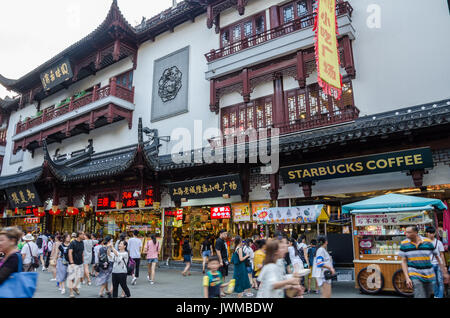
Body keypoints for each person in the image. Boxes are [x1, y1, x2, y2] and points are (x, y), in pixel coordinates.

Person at [399, 226, 449, 298]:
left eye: (409, 232)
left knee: (429, 291)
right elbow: (403, 261)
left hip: (428, 274)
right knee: (420, 294)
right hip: (415, 274)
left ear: (416, 233)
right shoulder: (404, 244)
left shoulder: (428, 242)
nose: (406, 234)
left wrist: (444, 271)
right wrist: (407, 277)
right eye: (406, 232)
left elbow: (438, 256)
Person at [425, 226, 447, 298]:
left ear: (434, 233)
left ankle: (439, 296)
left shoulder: (439, 243)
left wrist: (444, 266)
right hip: (430, 265)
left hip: (438, 264)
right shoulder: (425, 243)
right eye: (428, 233)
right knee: (433, 282)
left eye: (431, 233)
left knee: (440, 281)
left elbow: (442, 255)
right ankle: (436, 295)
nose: (429, 234)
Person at [67, 231, 85, 298]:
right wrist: (71, 262)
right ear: (79, 235)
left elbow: (82, 252)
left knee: (79, 277)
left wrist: (83, 261)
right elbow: (70, 252)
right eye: (83, 234)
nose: (84, 235)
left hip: (80, 263)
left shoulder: (82, 242)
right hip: (73, 263)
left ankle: (75, 287)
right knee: (71, 278)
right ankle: (71, 293)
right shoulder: (73, 242)